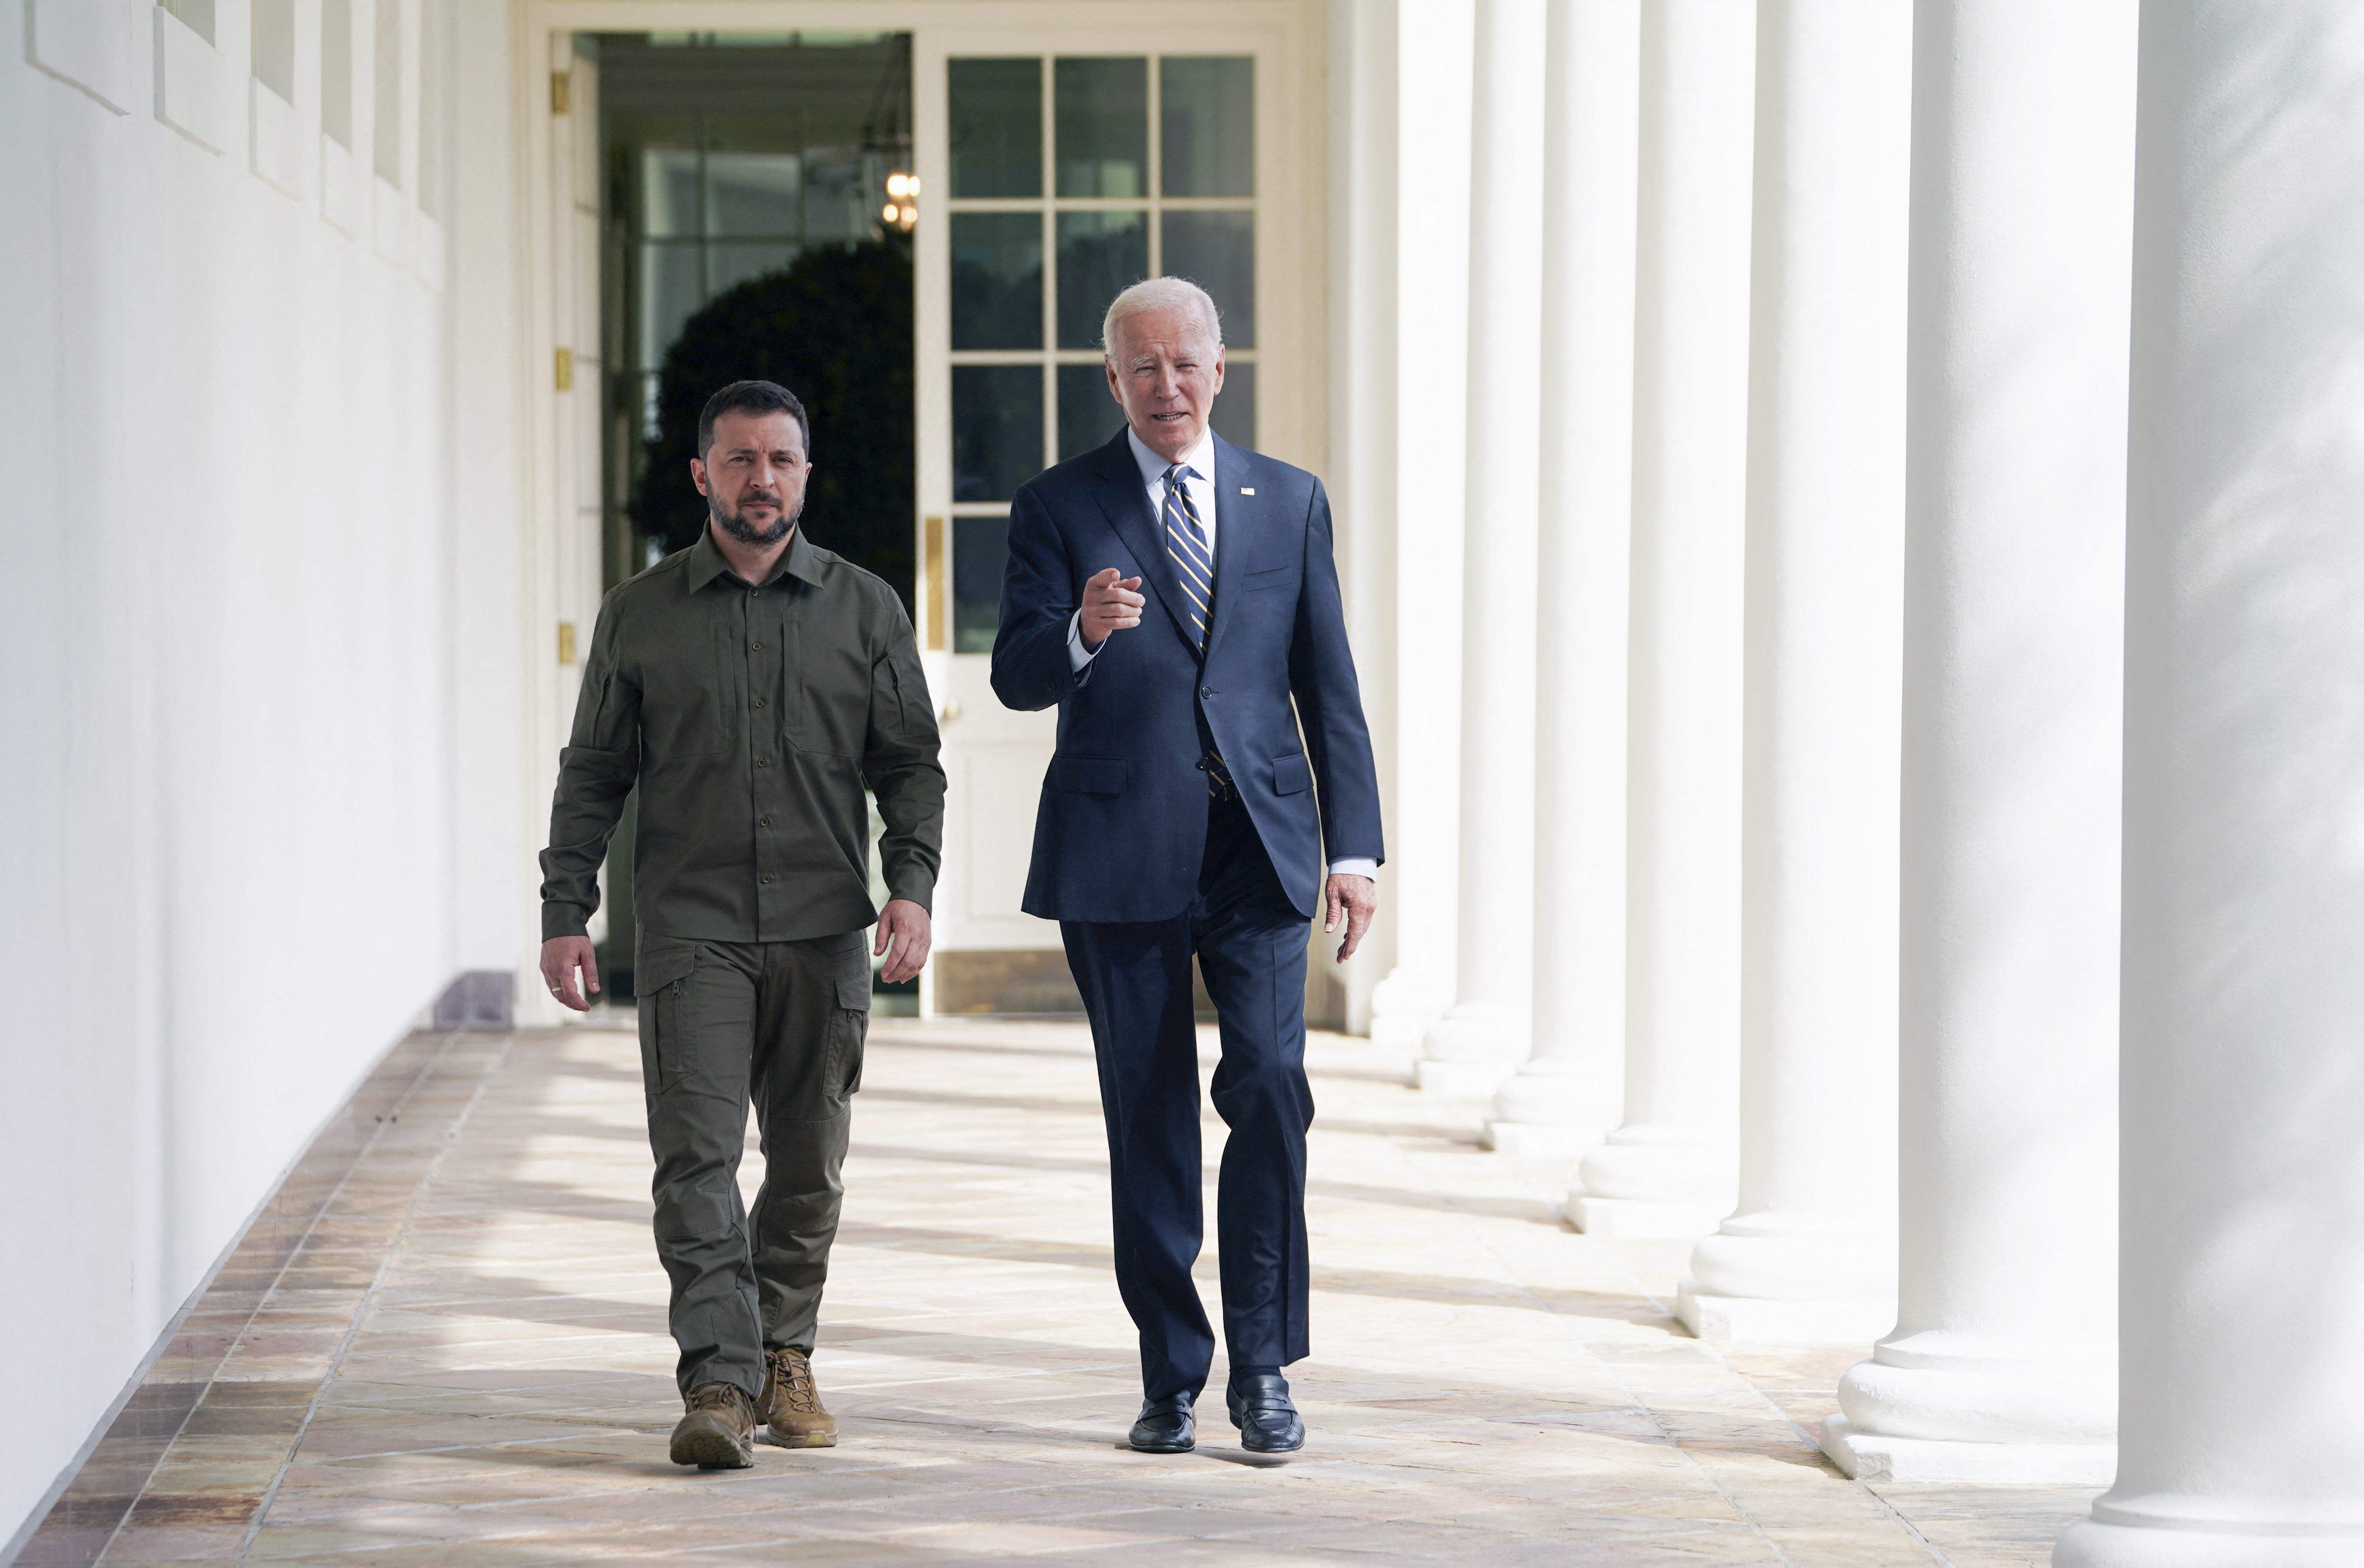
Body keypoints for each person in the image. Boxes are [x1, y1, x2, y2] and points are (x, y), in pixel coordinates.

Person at [991, 278, 1383, 1455]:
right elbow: (1016, 672)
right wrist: (1079, 632)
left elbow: (1329, 686)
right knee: (1147, 1118)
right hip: (1119, 850)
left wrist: (1353, 848)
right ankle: (1172, 1371)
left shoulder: (1288, 500)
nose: (1165, 385)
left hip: (1258, 850)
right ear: (1111, 380)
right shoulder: (1059, 505)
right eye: (1141, 367)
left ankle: (1262, 1366)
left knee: (1268, 1089)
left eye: (1185, 363)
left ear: (1221, 370)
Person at [538, 379, 945, 1470]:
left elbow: (910, 766)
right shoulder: (641, 611)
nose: (760, 477)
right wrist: (565, 907)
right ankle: (719, 1377)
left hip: (825, 927)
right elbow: (593, 775)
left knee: (809, 1162)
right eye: (738, 458)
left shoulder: (866, 608)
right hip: (691, 928)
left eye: (780, 459)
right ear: (702, 473)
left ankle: (785, 1353)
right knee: (698, 1160)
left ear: (805, 474)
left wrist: (911, 885)